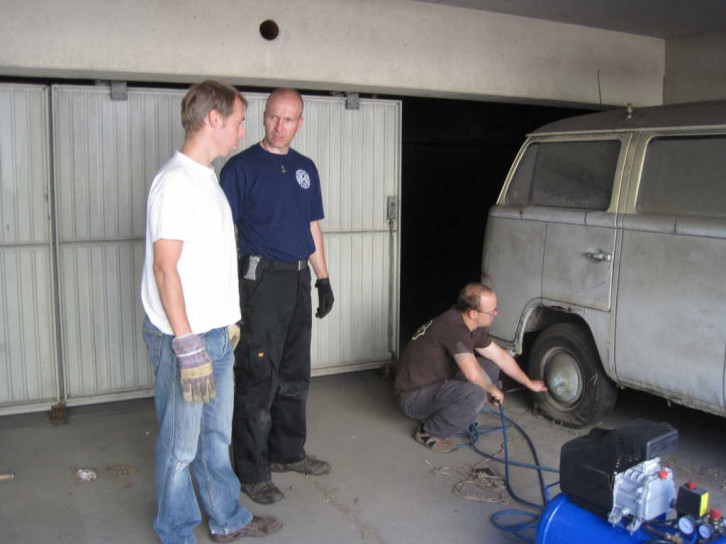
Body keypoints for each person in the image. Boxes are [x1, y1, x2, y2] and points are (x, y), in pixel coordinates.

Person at [140, 80, 282, 543]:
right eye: (239, 122)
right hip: (186, 339)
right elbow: (165, 269)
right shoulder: (175, 183)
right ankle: (176, 530)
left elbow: (206, 262)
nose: (243, 132)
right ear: (213, 119)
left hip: (216, 334)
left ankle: (226, 518)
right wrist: (187, 344)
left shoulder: (207, 179)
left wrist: (227, 321)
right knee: (180, 445)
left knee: (216, 438)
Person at [220, 88, 335, 505]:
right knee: (258, 377)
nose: (279, 126)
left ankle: (287, 452)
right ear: (263, 116)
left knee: (294, 373)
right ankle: (252, 471)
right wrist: (226, 296)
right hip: (260, 282)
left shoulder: (306, 169)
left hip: (298, 280)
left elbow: (311, 227)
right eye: (273, 117)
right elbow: (221, 235)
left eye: (288, 119)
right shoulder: (240, 168)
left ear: (299, 123)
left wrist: (323, 279)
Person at [395, 283, 547, 453]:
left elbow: (501, 357)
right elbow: (473, 375)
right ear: (473, 313)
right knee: (475, 393)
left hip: (438, 384)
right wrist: (490, 388)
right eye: (491, 312)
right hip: (413, 398)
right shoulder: (453, 327)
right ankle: (429, 432)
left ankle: (458, 413)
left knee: (490, 366)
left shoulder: (470, 325)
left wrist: (529, 383)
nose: (495, 314)